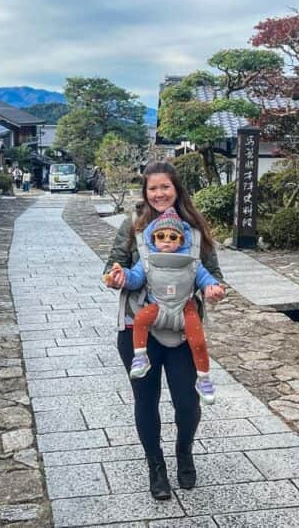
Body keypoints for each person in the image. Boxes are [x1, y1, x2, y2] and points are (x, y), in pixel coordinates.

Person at [103, 161, 226, 501]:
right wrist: (114, 276)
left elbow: (213, 273)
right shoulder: (133, 226)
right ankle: (155, 465)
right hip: (137, 325)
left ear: (177, 189)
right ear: (145, 192)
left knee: (187, 402)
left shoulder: (195, 229)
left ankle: (184, 450)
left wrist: (215, 290)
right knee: (146, 399)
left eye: (165, 187)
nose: (158, 194)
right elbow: (112, 264)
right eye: (152, 188)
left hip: (182, 326)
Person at [104, 207, 222, 404]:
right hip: (157, 304)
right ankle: (141, 356)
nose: (166, 240)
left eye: (173, 237)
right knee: (141, 318)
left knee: (198, 338)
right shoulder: (147, 260)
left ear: (182, 240)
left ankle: (203, 377)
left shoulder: (193, 262)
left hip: (185, 306)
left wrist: (213, 288)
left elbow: (208, 278)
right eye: (161, 236)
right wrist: (122, 276)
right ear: (153, 238)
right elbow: (134, 278)